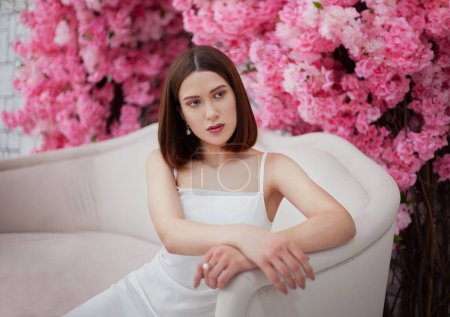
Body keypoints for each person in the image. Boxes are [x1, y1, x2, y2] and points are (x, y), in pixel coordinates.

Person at [64, 45, 356, 317]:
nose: (211, 112)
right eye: (195, 103)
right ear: (181, 113)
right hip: (141, 299)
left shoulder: (274, 167)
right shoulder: (164, 161)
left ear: (236, 95)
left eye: (219, 94)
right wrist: (244, 237)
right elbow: (172, 234)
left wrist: (253, 253)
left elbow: (339, 222)